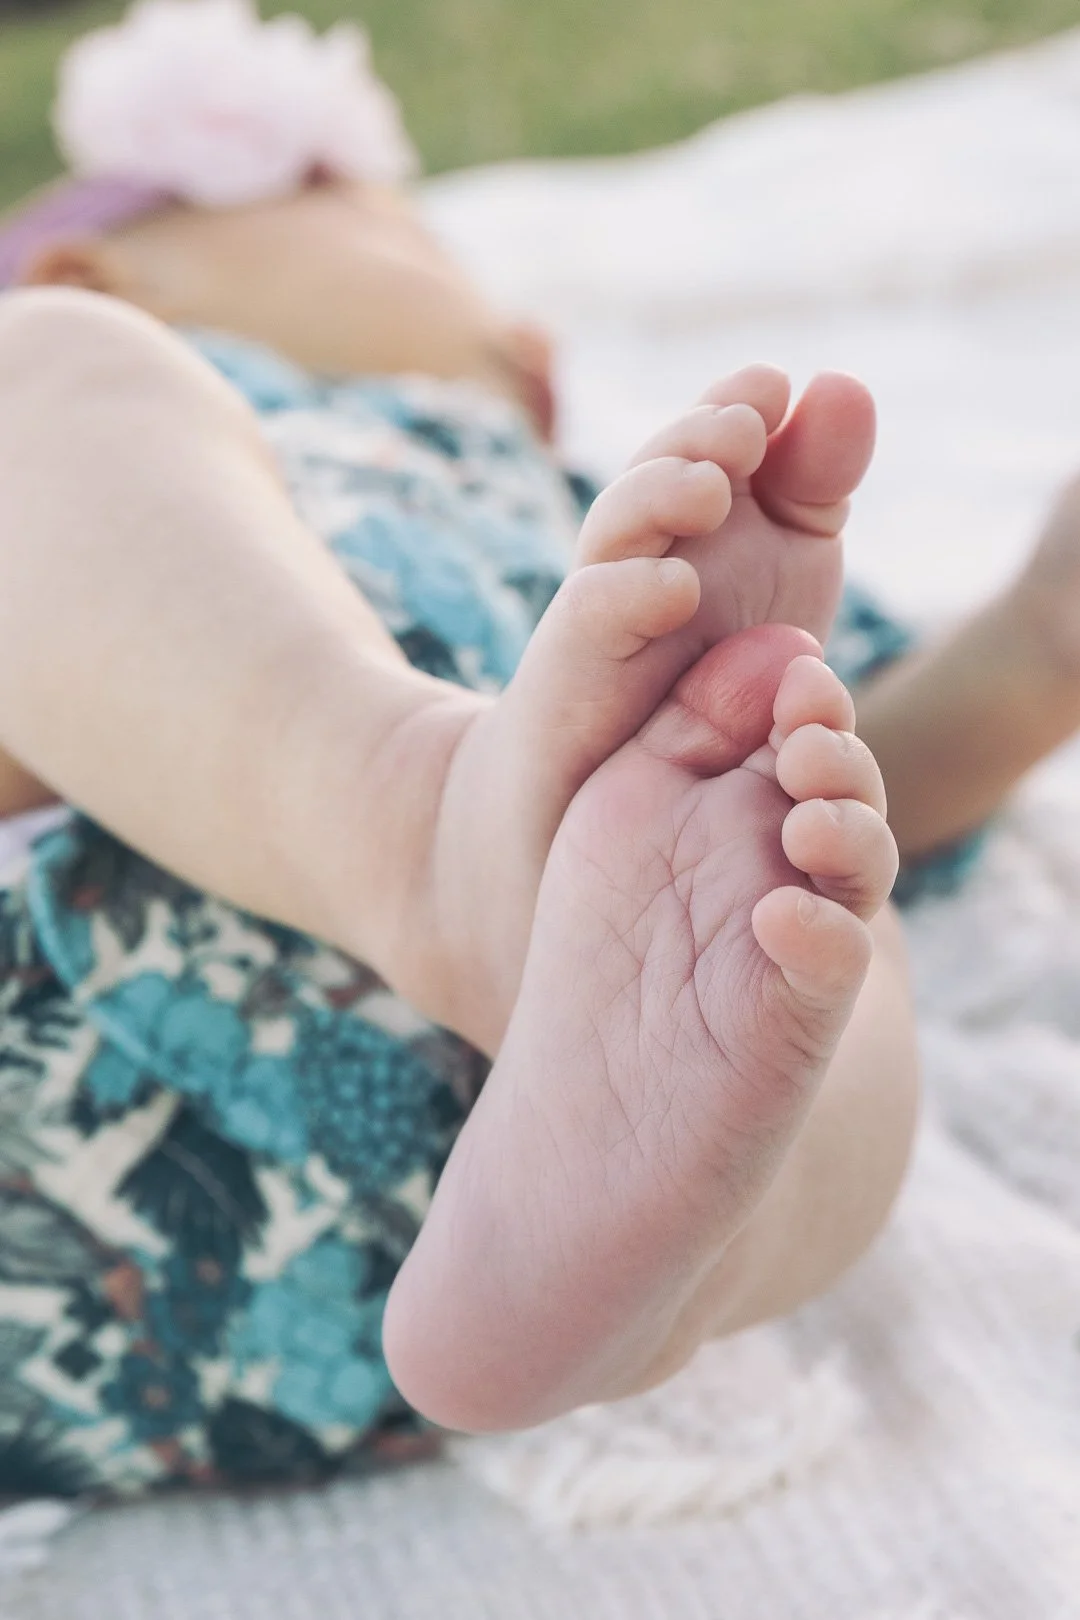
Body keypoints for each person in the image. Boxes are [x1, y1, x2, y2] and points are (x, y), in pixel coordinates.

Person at [0, 0, 1067, 1493]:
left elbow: (876, 766)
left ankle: (668, 1255)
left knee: (808, 901)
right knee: (35, 393)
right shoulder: (160, 388)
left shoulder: (586, 503)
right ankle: (420, 829)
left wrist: (1031, 654)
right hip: (77, 967)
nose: (528, 332)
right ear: (117, 258)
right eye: (411, 244)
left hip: (325, 1268)